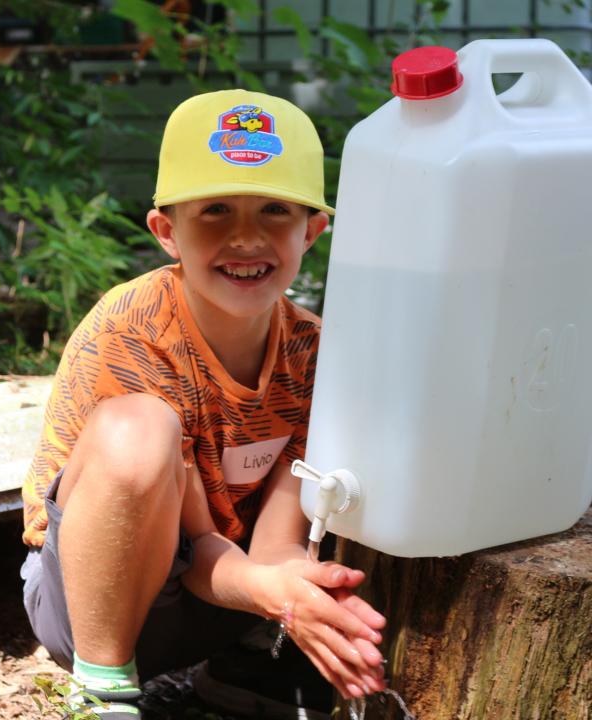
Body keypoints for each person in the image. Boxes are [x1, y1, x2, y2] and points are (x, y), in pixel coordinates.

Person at [20, 89, 387, 719]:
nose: (246, 237)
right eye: (215, 210)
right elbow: (193, 551)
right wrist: (269, 593)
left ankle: (253, 664)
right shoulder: (133, 330)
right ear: (167, 231)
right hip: (94, 600)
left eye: (275, 209)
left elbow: (275, 545)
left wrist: (295, 591)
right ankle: (102, 692)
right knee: (138, 428)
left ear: (312, 230)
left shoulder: (315, 356)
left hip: (224, 601)